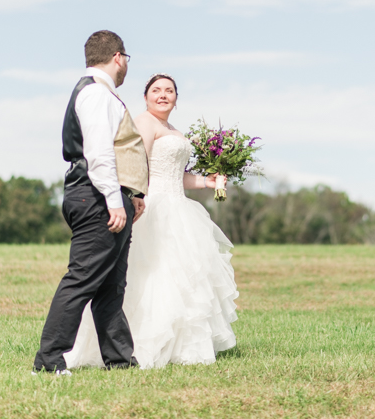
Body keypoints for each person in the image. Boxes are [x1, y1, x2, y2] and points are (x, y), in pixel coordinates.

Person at [65, 73, 238, 369]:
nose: (163, 95)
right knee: (149, 275)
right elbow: (138, 163)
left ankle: (182, 347)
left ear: (176, 98)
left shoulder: (174, 129)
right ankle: (138, 344)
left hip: (179, 207)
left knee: (183, 278)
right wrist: (135, 197)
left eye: (169, 90)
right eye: (156, 90)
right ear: (145, 97)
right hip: (152, 205)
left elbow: (175, 175)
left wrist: (207, 182)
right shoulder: (145, 122)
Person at [33, 30, 148, 375]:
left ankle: (119, 360)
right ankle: (49, 359)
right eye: (126, 58)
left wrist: (131, 195)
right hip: (96, 196)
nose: (127, 64)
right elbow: (99, 154)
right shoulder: (97, 95)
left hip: (102, 195)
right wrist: (114, 200)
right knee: (82, 277)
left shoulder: (96, 92)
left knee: (111, 284)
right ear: (117, 57)